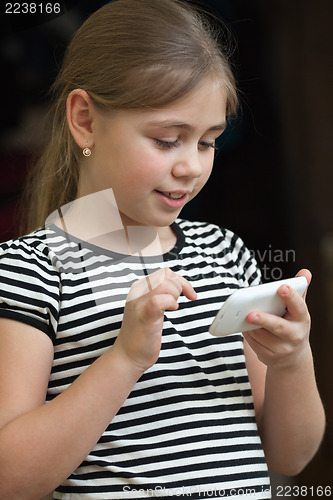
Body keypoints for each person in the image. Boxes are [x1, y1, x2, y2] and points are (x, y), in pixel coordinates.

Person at [0, 0, 325, 499]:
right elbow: (10, 479)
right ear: (85, 119)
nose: (191, 167)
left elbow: (291, 455)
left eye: (208, 142)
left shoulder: (224, 252)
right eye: (168, 140)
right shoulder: (31, 270)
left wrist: (291, 360)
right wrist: (125, 358)